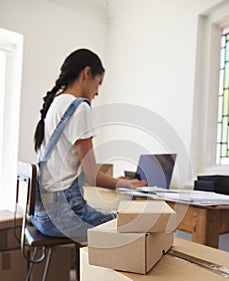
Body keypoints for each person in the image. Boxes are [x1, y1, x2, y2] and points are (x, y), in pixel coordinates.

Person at [32, 48, 146, 243]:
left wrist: (117, 181)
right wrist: (127, 184)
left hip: (42, 215)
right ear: (87, 73)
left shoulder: (56, 103)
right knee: (128, 225)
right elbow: (92, 176)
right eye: (98, 83)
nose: (97, 92)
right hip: (62, 216)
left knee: (110, 215)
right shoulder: (79, 107)